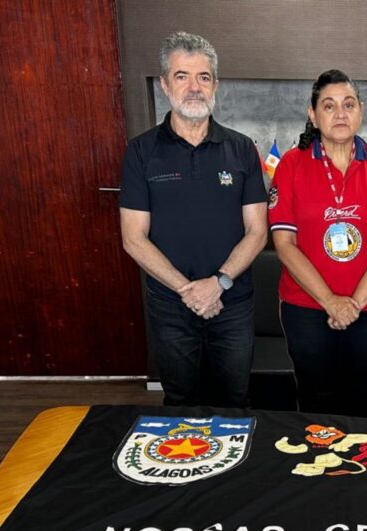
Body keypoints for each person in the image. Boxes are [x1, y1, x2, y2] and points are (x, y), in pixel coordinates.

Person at [119, 31, 268, 407]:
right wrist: (189, 290)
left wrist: (218, 284)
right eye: (182, 76)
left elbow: (257, 231)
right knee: (181, 399)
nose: (194, 87)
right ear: (165, 84)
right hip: (171, 305)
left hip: (231, 303)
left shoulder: (242, 149)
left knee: (235, 399)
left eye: (203, 77)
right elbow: (133, 238)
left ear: (215, 84)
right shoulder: (140, 152)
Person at [268, 70, 367, 418]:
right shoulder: (291, 165)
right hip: (307, 308)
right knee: (316, 400)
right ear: (313, 115)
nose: (340, 113)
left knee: (366, 400)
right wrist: (330, 301)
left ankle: (364, 455)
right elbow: (284, 244)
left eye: (349, 104)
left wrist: (353, 304)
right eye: (329, 106)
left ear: (361, 111)